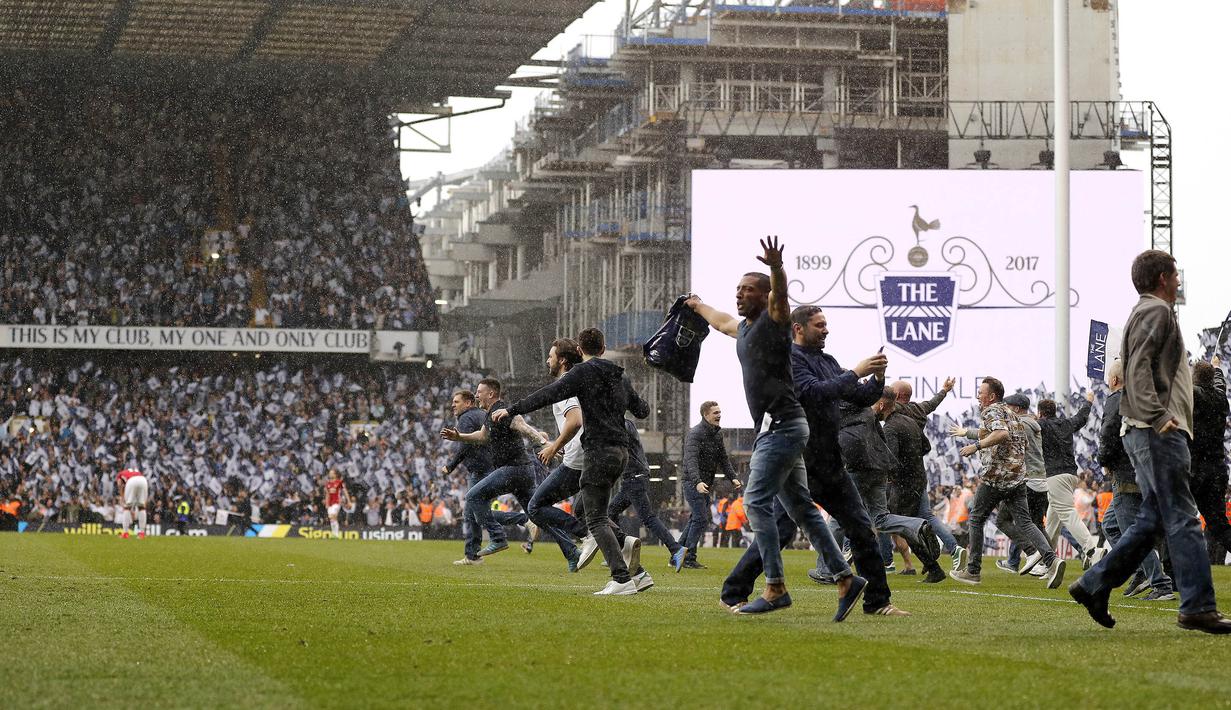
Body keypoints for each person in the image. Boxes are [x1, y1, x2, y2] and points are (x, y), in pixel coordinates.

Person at [688, 239, 865, 616]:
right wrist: (695, 304)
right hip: (785, 427)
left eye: (748, 289)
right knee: (802, 509)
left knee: (754, 503)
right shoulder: (746, 329)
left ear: (765, 296)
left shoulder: (774, 320)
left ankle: (775, 587)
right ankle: (845, 579)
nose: (739, 294)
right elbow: (719, 321)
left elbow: (782, 296)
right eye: (737, 289)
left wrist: (776, 269)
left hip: (781, 428)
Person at [1070, 250, 1231, 633]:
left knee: (1152, 521)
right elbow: (1137, 371)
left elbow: (1138, 369)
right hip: (1156, 431)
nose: (1179, 281)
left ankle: (1093, 584)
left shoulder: (1145, 313)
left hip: (1146, 430)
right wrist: (1160, 417)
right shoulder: (1156, 313)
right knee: (1183, 519)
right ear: (1162, 277)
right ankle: (1197, 607)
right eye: (1175, 275)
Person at [495, 328, 654, 596]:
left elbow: (546, 395)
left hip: (598, 452)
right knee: (587, 509)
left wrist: (512, 409)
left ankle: (621, 577)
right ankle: (634, 568)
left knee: (596, 520)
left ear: (580, 351)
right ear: (604, 349)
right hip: (620, 453)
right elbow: (642, 411)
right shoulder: (620, 376)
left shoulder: (581, 374)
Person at [951, 377, 1066, 588]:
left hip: (997, 477)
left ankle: (973, 571)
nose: (978, 396)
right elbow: (995, 432)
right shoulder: (1012, 414)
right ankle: (1052, 560)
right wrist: (967, 433)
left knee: (976, 518)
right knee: (1025, 522)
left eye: (981, 392)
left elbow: (1001, 434)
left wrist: (975, 446)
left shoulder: (991, 411)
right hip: (1017, 477)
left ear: (991, 396)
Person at [442, 378, 543, 565]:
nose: (453, 406)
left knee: (473, 508)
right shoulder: (483, 414)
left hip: (483, 470)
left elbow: (468, 445)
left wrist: (451, 465)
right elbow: (487, 436)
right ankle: (475, 554)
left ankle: (507, 531)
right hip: (494, 467)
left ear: (468, 403)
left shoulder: (467, 417)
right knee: (475, 511)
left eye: (456, 402)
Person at [525, 339, 594, 572]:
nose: (548, 360)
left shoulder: (566, 385)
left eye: (551, 356)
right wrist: (562, 442)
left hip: (577, 461)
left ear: (562, 360)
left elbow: (575, 420)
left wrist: (554, 447)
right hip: (593, 455)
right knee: (597, 514)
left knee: (535, 507)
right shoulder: (584, 381)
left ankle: (585, 534)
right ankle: (626, 548)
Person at [608, 419, 688, 567]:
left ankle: (676, 549)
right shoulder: (626, 423)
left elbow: (616, 450)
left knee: (648, 518)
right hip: (631, 479)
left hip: (634, 478)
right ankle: (620, 553)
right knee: (611, 512)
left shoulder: (621, 425)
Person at [1038, 390, 1103, 566]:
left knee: (1067, 514)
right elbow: (1081, 417)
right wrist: (1088, 401)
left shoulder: (1041, 425)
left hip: (1054, 476)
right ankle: (1047, 560)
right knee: (1052, 521)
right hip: (1070, 475)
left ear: (1040, 413)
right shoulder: (1065, 424)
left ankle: (1091, 549)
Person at [679, 401, 738, 570]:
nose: (719, 415)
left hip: (704, 483)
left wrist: (732, 477)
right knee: (700, 518)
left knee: (696, 519)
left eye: (720, 412)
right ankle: (689, 558)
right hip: (692, 482)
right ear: (705, 415)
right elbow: (691, 461)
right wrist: (697, 482)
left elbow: (723, 459)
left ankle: (676, 553)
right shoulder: (695, 434)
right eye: (715, 413)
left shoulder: (717, 435)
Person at [1190, 357, 1231, 561]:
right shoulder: (1221, 399)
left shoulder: (1193, 395)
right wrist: (1217, 368)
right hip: (1217, 469)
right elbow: (1220, 385)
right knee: (1219, 525)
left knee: (1175, 520)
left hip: (1193, 471)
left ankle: (1171, 578)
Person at [117, 467, 149, 539]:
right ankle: (142, 533)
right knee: (142, 507)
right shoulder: (137, 472)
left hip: (131, 481)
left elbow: (120, 485)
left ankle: (125, 533)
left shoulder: (120, 474)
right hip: (143, 480)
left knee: (127, 507)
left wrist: (122, 497)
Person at [323, 469, 350, 539]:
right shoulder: (327, 484)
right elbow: (327, 494)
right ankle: (334, 534)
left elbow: (345, 491)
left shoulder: (339, 482)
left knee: (333, 517)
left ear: (335, 475)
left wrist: (349, 501)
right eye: (329, 473)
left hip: (337, 502)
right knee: (332, 519)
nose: (330, 474)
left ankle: (336, 534)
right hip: (330, 503)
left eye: (332, 473)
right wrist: (326, 503)